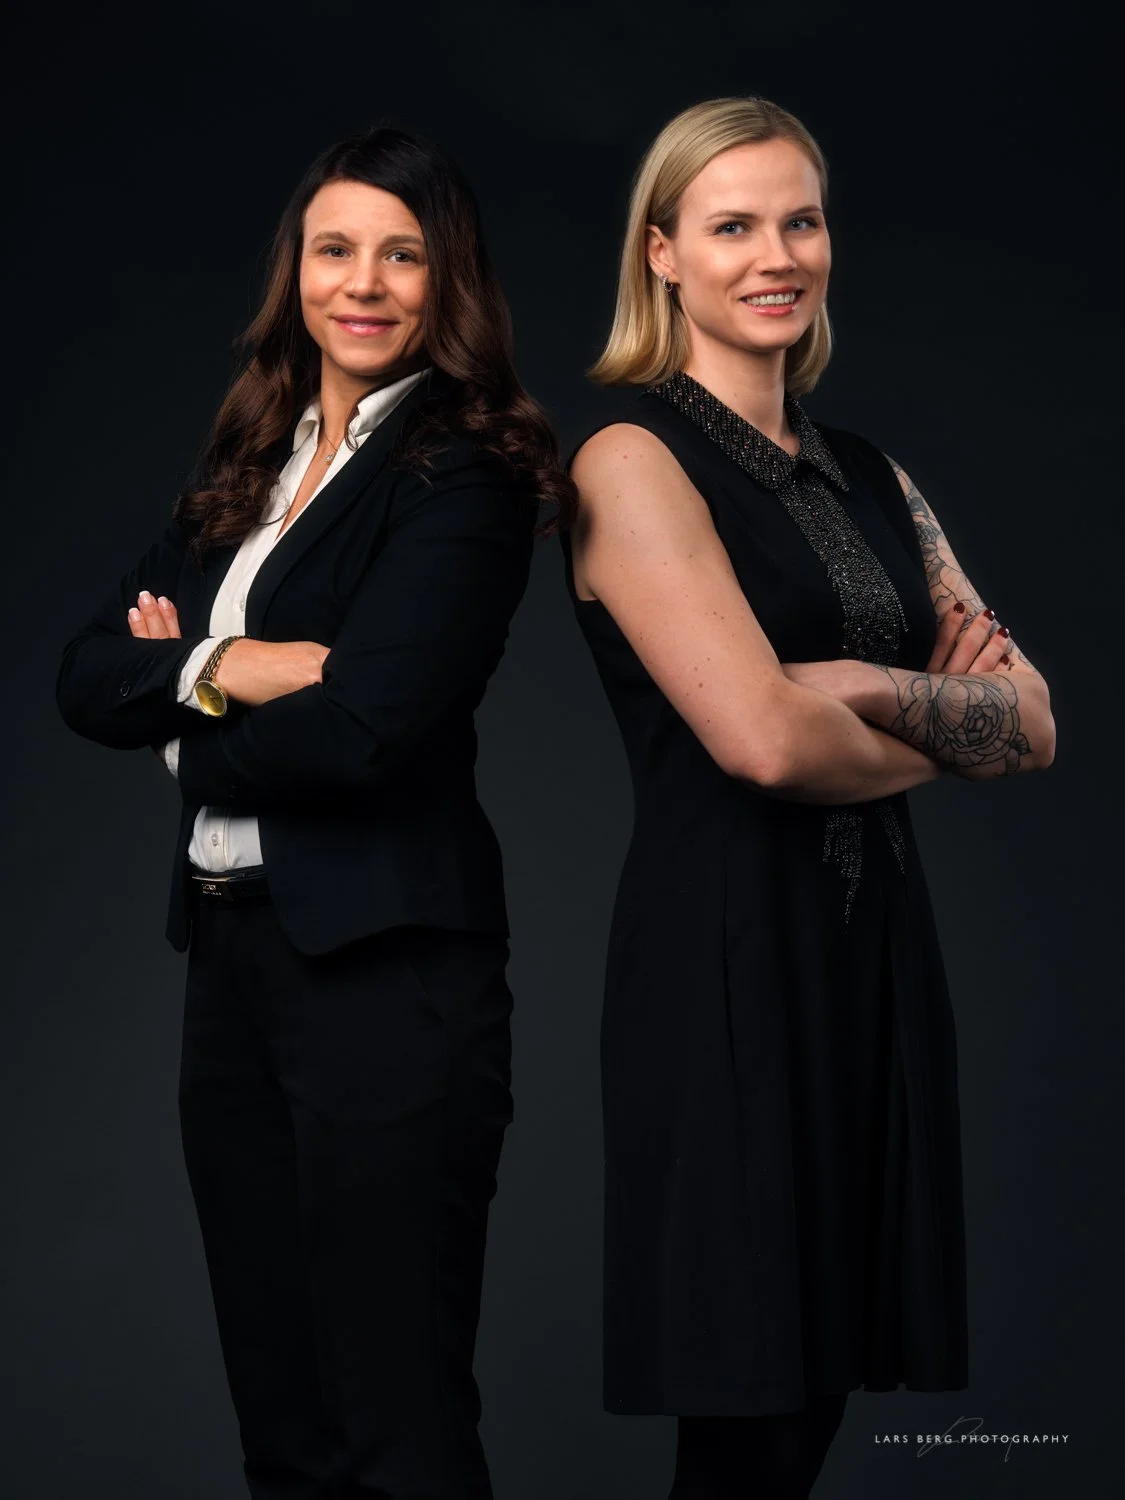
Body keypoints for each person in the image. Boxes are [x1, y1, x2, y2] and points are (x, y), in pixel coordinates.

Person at [56, 125, 574, 1500]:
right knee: (279, 1423)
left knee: (396, 1425)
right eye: (335, 249)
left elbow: (364, 733)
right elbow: (83, 674)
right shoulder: (255, 462)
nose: (364, 283)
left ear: (449, 279)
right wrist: (226, 666)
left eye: (403, 255)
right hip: (230, 965)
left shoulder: (464, 473)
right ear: (295, 269)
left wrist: (176, 716)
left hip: (387, 978)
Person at [561, 96, 1056, 1499]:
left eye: (802, 221)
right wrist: (930, 721)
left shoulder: (877, 476)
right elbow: (765, 750)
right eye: (733, 226)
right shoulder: (628, 459)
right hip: (726, 966)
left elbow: (1034, 722)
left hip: (874, 960)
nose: (777, 255)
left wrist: (846, 684)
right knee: (749, 1419)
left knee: (813, 1404)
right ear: (663, 253)